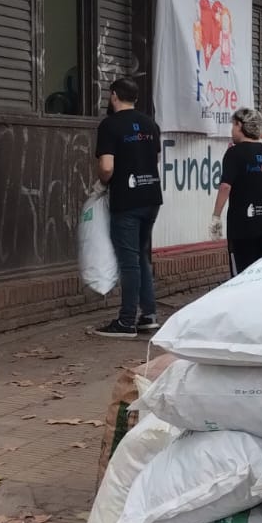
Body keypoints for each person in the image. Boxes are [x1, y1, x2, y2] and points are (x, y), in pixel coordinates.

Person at [92, 77, 162, 338]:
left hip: (127, 200)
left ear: (113, 96)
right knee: (141, 256)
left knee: (128, 260)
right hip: (151, 197)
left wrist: (101, 184)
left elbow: (107, 167)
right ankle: (148, 315)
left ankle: (126, 321)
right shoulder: (150, 124)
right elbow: (154, 158)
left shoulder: (110, 125)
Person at [210, 107, 262, 275]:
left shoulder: (234, 153)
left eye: (233, 126)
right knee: (259, 271)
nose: (232, 130)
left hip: (243, 225)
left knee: (241, 275)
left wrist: (216, 216)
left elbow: (225, 186)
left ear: (240, 125)